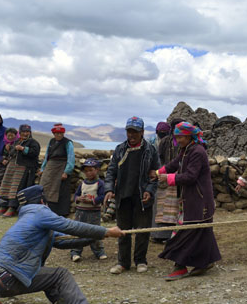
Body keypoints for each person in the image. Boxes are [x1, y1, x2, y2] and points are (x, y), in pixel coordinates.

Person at [0, 185, 120, 304]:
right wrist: (105, 231)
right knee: (61, 274)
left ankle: (60, 300)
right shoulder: (39, 212)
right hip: (5, 277)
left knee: (47, 273)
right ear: (41, 201)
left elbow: (66, 240)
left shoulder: (29, 218)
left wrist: (97, 236)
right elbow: (69, 225)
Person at [157, 122, 221, 280]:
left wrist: (168, 178)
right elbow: (175, 164)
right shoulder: (186, 150)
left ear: (188, 136)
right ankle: (204, 263)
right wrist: (159, 171)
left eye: (180, 137)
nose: (177, 140)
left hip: (199, 200)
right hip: (191, 199)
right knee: (203, 232)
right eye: (176, 137)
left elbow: (190, 176)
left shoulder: (198, 152)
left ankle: (180, 265)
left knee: (185, 232)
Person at [104, 116, 160, 274]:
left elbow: (155, 174)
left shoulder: (150, 150)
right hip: (123, 195)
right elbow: (111, 171)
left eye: (135, 131)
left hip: (142, 196)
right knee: (123, 231)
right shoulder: (120, 149)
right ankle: (123, 263)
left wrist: (149, 190)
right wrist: (109, 189)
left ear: (142, 132)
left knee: (143, 230)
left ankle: (141, 261)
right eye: (129, 131)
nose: (132, 135)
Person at [0, 123, 41, 217]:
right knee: (6, 184)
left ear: (30, 133)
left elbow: (34, 153)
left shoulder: (33, 142)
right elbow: (12, 153)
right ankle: (3, 205)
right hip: (12, 166)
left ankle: (12, 207)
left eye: (27, 132)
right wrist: (10, 149)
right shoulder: (17, 141)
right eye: (23, 132)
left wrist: (23, 149)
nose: (25, 134)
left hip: (23, 167)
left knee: (15, 187)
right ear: (20, 132)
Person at [71, 158, 107, 262]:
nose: (88, 173)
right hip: (80, 212)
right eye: (86, 171)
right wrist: (78, 199)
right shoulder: (82, 183)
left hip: (94, 212)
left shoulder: (100, 184)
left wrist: (92, 201)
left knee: (95, 232)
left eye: (91, 170)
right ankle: (75, 252)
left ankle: (99, 252)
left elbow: (102, 196)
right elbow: (77, 195)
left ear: (97, 170)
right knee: (78, 231)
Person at [151, 119, 182, 243]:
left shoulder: (182, 143)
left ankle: (170, 235)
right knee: (163, 206)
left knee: (171, 207)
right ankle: (159, 234)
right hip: (166, 177)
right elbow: (160, 159)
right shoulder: (166, 142)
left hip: (174, 178)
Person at [40, 123, 75, 216]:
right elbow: (47, 155)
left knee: (59, 189)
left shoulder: (68, 143)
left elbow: (71, 158)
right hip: (50, 167)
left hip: (61, 167)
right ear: (53, 134)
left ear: (63, 133)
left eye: (60, 133)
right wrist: (43, 168)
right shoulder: (51, 141)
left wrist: (67, 171)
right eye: (56, 133)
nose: (58, 135)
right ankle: (45, 208)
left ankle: (59, 212)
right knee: (45, 186)